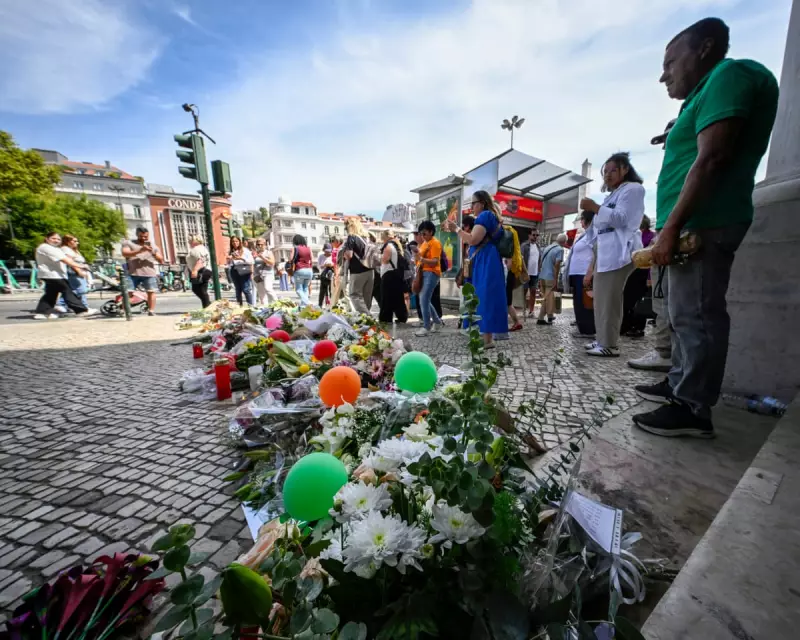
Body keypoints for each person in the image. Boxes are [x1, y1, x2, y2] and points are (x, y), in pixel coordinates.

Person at [632, 17, 779, 438]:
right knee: (682, 314)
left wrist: (671, 228)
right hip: (690, 224)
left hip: (704, 222)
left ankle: (692, 407)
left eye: (670, 63)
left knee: (697, 314)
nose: (664, 75)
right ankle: (680, 383)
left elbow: (712, 158)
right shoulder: (703, 93)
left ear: (704, 48)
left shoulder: (729, 74)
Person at [580, 152, 646, 357]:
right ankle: (602, 338)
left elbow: (620, 219)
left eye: (613, 170)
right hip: (606, 252)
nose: (607, 175)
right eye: (605, 171)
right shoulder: (613, 194)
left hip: (619, 252)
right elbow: (600, 225)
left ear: (625, 169)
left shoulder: (633, 189)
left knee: (609, 298)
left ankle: (609, 343)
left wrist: (594, 207)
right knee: (601, 298)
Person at [443, 190, 506, 347]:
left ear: (482, 203)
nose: (472, 207)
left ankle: (486, 339)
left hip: (485, 261)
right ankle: (486, 338)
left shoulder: (485, 216)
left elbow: (472, 239)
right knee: (486, 297)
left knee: (483, 297)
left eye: (474, 203)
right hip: (488, 260)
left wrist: (457, 229)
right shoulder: (493, 217)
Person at [33, 232, 92, 319]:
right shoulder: (46, 248)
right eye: (53, 238)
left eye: (58, 239)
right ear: (47, 239)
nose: (56, 240)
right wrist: (81, 266)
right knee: (67, 291)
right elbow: (65, 260)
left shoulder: (53, 248)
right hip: (53, 274)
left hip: (54, 274)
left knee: (50, 294)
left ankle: (42, 313)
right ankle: (81, 310)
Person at [563, 211, 596, 338]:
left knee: (585, 302)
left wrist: (590, 272)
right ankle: (582, 328)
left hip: (584, 273)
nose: (580, 221)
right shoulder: (585, 234)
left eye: (581, 219)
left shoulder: (593, 233)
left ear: (586, 219)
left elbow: (596, 253)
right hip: (576, 274)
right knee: (578, 302)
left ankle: (588, 330)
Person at [620, 216, 654, 338]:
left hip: (643, 272)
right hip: (631, 271)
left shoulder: (651, 236)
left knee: (639, 300)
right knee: (627, 300)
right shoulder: (632, 234)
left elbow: (651, 258)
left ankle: (638, 327)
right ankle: (626, 325)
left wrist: (650, 277)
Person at [122, 226, 164, 315]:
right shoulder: (129, 243)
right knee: (128, 292)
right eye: (141, 236)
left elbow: (161, 260)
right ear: (137, 235)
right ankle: (125, 311)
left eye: (146, 236)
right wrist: (140, 250)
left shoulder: (153, 245)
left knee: (151, 292)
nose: (144, 238)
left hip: (149, 273)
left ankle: (151, 311)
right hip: (132, 273)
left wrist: (153, 253)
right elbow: (125, 253)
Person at [413, 220, 445, 337]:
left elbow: (435, 261)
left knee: (424, 299)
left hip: (432, 273)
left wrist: (421, 259)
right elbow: (419, 260)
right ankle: (436, 322)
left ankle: (427, 326)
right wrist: (417, 257)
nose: (422, 236)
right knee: (424, 299)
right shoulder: (425, 244)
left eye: (424, 233)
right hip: (424, 272)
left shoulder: (435, 243)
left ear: (431, 232)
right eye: (421, 233)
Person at [342, 218, 374, 314]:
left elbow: (349, 255)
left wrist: (344, 254)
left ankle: (367, 315)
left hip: (357, 271)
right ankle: (366, 318)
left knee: (354, 295)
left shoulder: (351, 237)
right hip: (370, 270)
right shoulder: (366, 238)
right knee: (366, 296)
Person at [378, 229, 408, 324]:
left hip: (388, 274)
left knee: (386, 298)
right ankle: (402, 316)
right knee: (397, 297)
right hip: (396, 274)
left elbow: (385, 260)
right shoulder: (396, 245)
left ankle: (385, 318)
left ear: (385, 237)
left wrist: (379, 257)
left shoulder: (388, 246)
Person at [537, 234, 566, 326]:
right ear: (564, 242)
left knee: (548, 297)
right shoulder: (560, 249)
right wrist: (555, 279)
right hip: (550, 277)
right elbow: (557, 265)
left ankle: (550, 316)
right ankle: (540, 318)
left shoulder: (547, 248)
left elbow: (540, 262)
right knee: (547, 298)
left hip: (542, 276)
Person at [60, 235, 91, 309]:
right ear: (68, 241)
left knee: (79, 290)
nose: (77, 243)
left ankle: (84, 307)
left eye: (77, 241)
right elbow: (70, 262)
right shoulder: (65, 249)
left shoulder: (73, 250)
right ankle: (60, 303)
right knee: (81, 290)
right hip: (73, 272)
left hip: (79, 271)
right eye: (74, 241)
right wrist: (79, 271)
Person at [227, 236, 255, 305]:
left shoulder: (245, 250)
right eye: (233, 241)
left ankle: (250, 306)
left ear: (240, 242)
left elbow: (251, 261)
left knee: (246, 289)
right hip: (234, 270)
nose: (235, 243)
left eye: (236, 241)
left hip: (243, 270)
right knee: (238, 290)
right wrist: (229, 260)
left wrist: (241, 258)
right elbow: (229, 264)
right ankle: (239, 306)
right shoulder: (231, 251)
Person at [186, 235, 212, 308]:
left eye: (190, 240)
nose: (189, 241)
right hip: (205, 270)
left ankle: (208, 305)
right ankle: (207, 305)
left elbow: (201, 260)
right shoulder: (202, 248)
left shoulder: (196, 249)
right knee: (201, 290)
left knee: (199, 290)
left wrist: (195, 270)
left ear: (195, 241)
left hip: (201, 271)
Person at [288, 234, 313, 307]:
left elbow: (290, 260)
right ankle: (304, 306)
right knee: (305, 288)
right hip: (309, 271)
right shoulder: (309, 248)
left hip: (299, 270)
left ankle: (307, 302)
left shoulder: (295, 248)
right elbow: (312, 259)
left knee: (298, 290)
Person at [520, 229, 540, 318]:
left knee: (533, 292)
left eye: (537, 235)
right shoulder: (524, 245)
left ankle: (531, 311)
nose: (535, 237)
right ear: (529, 235)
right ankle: (523, 310)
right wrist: (522, 271)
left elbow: (538, 259)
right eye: (533, 235)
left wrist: (539, 270)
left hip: (535, 273)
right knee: (523, 292)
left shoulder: (538, 246)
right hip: (525, 273)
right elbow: (520, 258)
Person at [253, 238, 277, 305]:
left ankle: (276, 302)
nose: (260, 246)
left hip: (268, 273)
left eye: (262, 244)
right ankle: (265, 307)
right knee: (261, 294)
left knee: (268, 288)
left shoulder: (268, 252)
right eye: (258, 244)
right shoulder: (254, 253)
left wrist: (262, 257)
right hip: (258, 275)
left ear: (265, 245)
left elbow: (272, 263)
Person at [505, 258, 523, 332]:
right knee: (508, 302)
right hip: (510, 275)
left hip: (508, 276)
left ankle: (516, 322)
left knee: (507, 302)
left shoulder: (510, 253)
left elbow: (509, 265)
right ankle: (517, 322)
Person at [368, 233, 382, 313]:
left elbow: (378, 261)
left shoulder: (372, 247)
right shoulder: (376, 247)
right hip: (376, 274)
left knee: (372, 296)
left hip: (374, 273)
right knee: (378, 296)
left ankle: (366, 314)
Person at [317, 243, 335, 307]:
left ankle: (332, 305)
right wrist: (325, 265)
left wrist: (332, 265)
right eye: (326, 251)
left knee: (331, 291)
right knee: (322, 291)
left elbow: (336, 265)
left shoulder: (333, 255)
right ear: (324, 250)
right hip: (323, 276)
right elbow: (319, 266)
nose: (328, 253)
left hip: (331, 275)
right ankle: (320, 305)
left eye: (329, 251)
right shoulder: (321, 256)